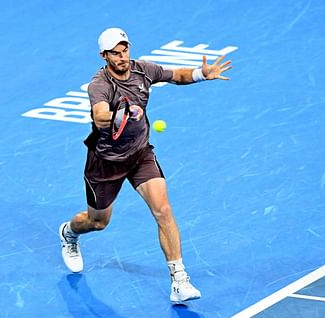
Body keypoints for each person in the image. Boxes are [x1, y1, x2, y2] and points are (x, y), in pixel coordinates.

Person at [59, 27, 232, 302]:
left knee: (163, 209)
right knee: (98, 222)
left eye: (125, 49)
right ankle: (69, 232)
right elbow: (100, 115)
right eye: (115, 53)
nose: (122, 56)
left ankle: (179, 280)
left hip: (140, 155)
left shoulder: (143, 70)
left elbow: (176, 76)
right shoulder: (100, 85)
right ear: (104, 56)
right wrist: (120, 114)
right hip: (105, 164)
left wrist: (201, 75)